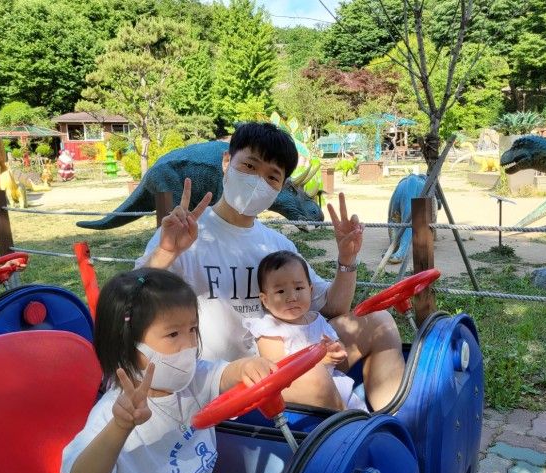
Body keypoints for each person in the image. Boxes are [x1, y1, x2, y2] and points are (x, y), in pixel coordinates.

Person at [137, 122, 404, 411]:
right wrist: (166, 252)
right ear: (227, 162)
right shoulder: (186, 236)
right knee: (315, 381)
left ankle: (398, 425)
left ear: (279, 188)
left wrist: (347, 260)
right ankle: (366, 439)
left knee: (380, 322)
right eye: (250, 166)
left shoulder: (277, 245)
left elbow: (333, 307)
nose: (257, 181)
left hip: (283, 355)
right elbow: (135, 302)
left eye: (272, 177)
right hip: (226, 376)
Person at [61, 269, 269, 473]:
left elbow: (222, 374)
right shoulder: (111, 415)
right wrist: (120, 427)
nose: (189, 345)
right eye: (173, 334)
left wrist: (245, 367)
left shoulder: (192, 380)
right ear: (127, 345)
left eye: (193, 330)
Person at [243, 250, 369, 411]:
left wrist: (337, 351)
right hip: (305, 397)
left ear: (310, 291)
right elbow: (277, 370)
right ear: (265, 300)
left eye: (299, 288)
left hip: (337, 384)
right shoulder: (269, 329)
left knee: (363, 417)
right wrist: (319, 363)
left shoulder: (316, 319)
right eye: (280, 291)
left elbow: (336, 344)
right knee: (349, 423)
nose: (292, 297)